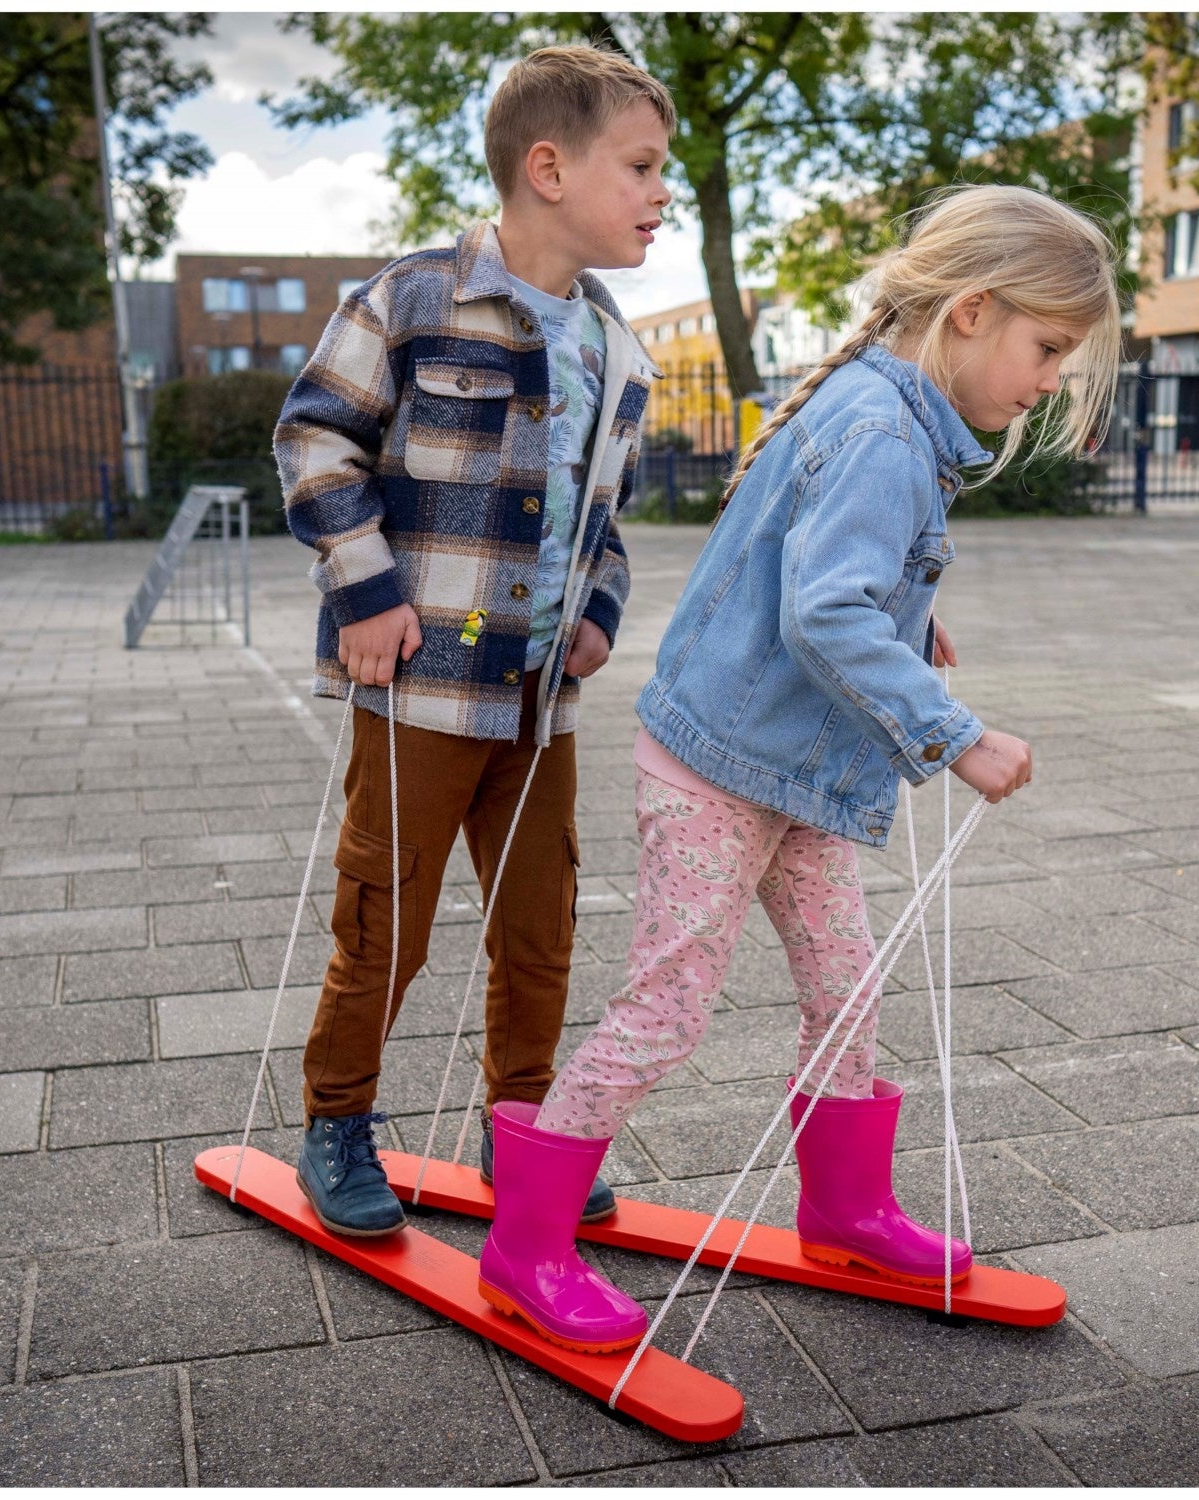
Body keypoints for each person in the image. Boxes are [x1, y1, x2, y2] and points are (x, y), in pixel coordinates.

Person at [475, 184, 1123, 1352]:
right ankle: (525, 1243)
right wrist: (956, 731)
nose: (1047, 383)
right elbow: (826, 615)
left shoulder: (892, 412)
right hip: (724, 770)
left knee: (847, 988)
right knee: (667, 1008)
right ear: (971, 311)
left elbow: (818, 580)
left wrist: (907, 628)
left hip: (794, 767)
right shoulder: (883, 430)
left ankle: (845, 1206)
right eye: (1047, 350)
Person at [273, 44, 675, 1238]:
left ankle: (525, 1132)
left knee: (539, 924)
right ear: (548, 168)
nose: (664, 195)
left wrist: (598, 614)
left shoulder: (619, 349)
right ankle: (338, 1122)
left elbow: (604, 523)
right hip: (419, 695)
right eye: (643, 167)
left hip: (539, 704)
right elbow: (314, 445)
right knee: (381, 919)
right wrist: (366, 592)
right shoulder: (411, 298)